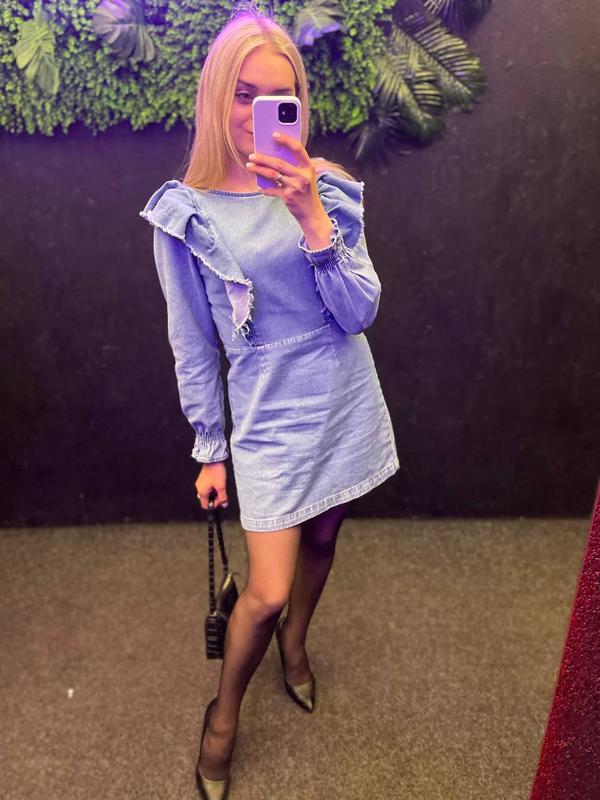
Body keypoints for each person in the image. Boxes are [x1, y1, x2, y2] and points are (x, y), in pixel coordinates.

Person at [139, 7, 400, 799]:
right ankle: (223, 716)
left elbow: (358, 312)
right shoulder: (185, 212)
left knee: (324, 535)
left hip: (342, 391)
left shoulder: (325, 189)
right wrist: (209, 448)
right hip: (267, 412)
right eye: (245, 92)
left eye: (279, 96)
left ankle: (297, 644)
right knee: (266, 590)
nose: (260, 109)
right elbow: (194, 343)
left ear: (298, 104)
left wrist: (312, 217)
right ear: (218, 96)